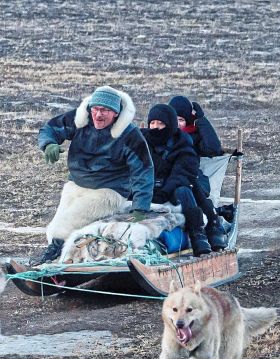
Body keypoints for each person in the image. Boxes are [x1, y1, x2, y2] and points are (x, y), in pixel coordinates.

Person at [33, 86, 154, 264]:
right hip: (76, 185)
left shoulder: (130, 135)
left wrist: (140, 208)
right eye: (95, 109)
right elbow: (50, 128)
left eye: (104, 110)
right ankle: (63, 258)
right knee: (53, 229)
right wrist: (49, 143)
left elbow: (143, 170)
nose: (98, 115)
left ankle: (51, 259)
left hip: (108, 191)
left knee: (66, 224)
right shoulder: (80, 120)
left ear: (115, 113)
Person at [142, 104, 212, 256]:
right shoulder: (142, 142)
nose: (155, 127)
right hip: (146, 190)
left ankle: (198, 235)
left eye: (160, 123)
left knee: (184, 190)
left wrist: (164, 192)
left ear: (170, 125)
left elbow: (181, 174)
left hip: (171, 192)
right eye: (152, 123)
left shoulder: (182, 144)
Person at [169, 95, 231, 249]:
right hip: (168, 179)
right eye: (174, 119)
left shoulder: (194, 137)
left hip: (193, 179)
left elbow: (214, 149)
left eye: (181, 120)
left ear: (188, 121)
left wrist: (201, 120)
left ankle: (211, 224)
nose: (177, 124)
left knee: (189, 189)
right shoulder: (161, 135)